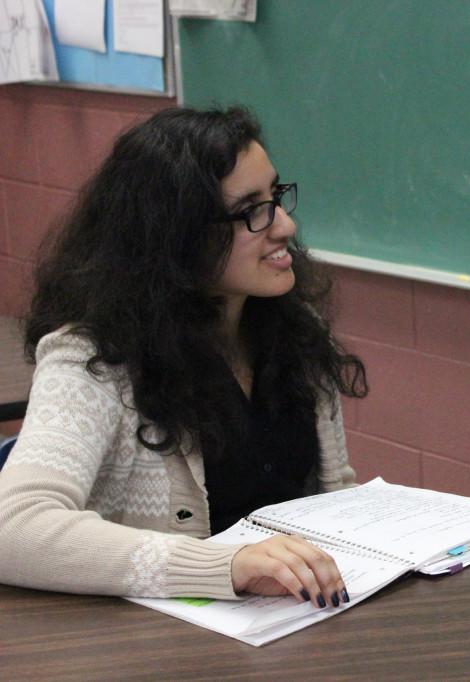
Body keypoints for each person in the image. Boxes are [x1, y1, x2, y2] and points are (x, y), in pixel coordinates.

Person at [0, 106, 367, 610]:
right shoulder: (95, 360)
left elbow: (332, 496)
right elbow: (14, 527)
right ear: (176, 234)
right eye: (250, 212)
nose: (284, 225)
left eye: (276, 197)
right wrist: (226, 567)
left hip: (289, 627)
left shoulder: (294, 332)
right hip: (158, 647)